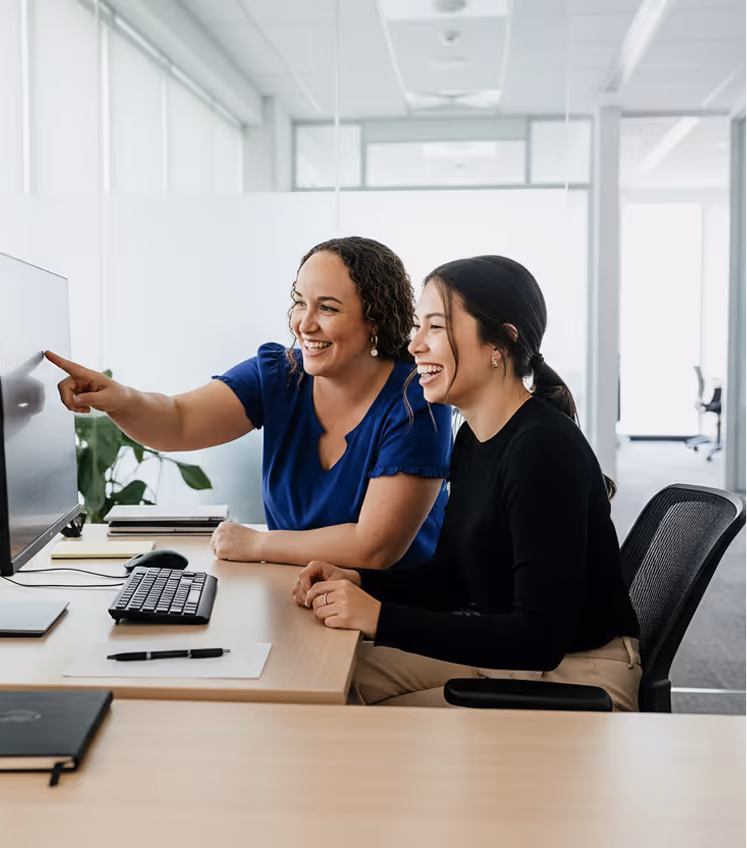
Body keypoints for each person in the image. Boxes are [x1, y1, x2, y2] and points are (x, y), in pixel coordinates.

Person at [293, 255, 642, 710]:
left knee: (362, 728)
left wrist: (378, 617)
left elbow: (539, 637)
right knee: (327, 685)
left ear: (500, 342)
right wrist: (359, 582)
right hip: (508, 656)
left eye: (435, 328)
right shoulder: (472, 439)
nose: (414, 344)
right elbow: (451, 579)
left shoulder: (541, 450)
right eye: (418, 326)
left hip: (577, 676)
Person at [47, 236, 452, 570]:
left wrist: (259, 544)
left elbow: (374, 547)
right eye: (299, 302)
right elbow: (178, 421)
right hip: (294, 598)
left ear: (376, 320)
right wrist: (120, 399)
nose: (303, 323)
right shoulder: (279, 374)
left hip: (387, 618)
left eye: (327, 308)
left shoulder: (418, 400)